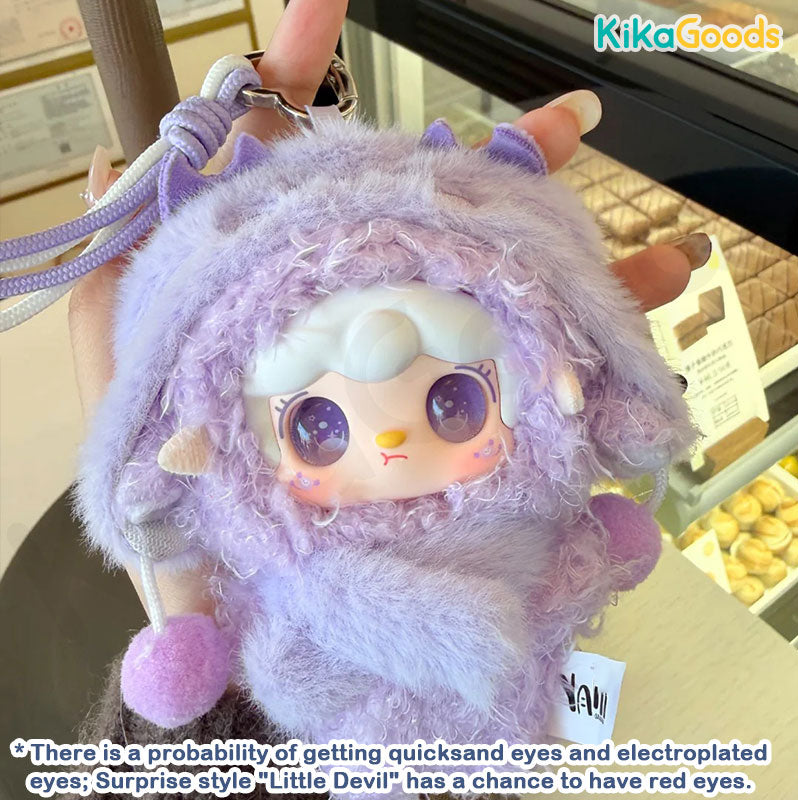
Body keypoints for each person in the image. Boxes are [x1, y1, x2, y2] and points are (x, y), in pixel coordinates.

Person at [66, 0, 709, 793]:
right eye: (319, 426)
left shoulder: (517, 528)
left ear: (544, 396)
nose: (392, 446)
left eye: (453, 405)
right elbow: (291, 675)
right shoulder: (299, 604)